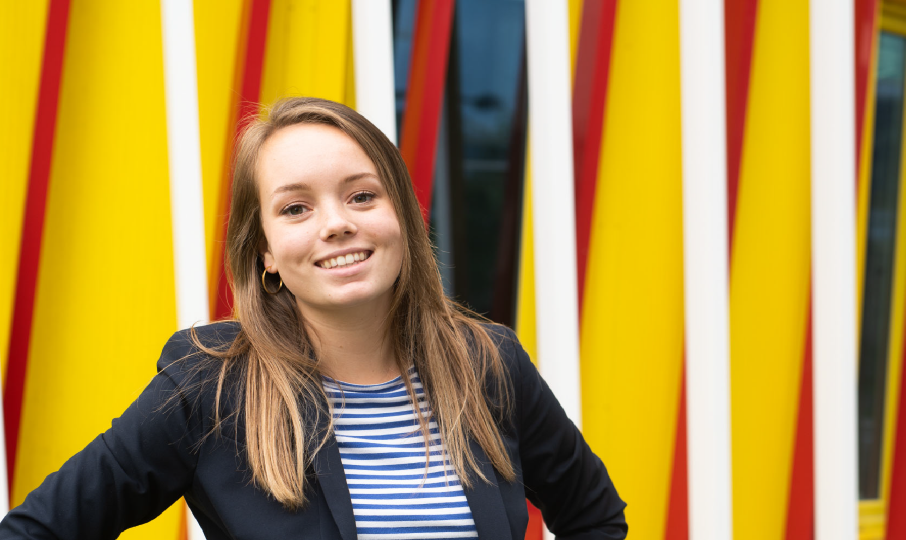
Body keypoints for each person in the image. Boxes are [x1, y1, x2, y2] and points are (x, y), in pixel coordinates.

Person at [0, 97, 626, 539]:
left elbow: (595, 517)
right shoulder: (207, 387)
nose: (336, 223)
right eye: (296, 208)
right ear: (266, 253)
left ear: (402, 219)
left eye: (361, 195)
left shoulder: (489, 361)